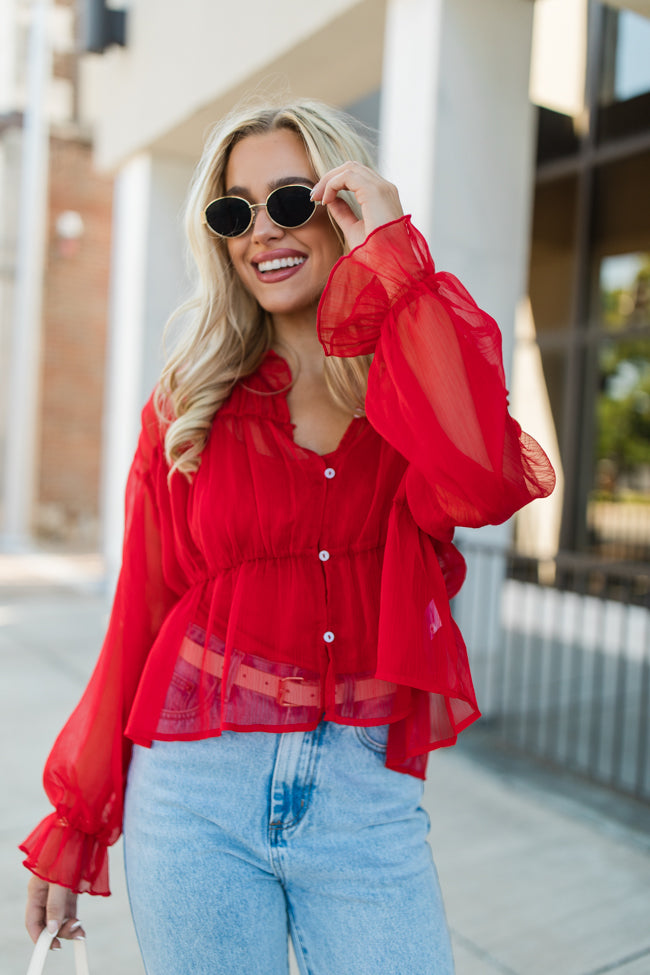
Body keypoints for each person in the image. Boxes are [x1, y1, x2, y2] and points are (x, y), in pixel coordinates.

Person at [22, 98, 555, 974]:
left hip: (362, 796)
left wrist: (396, 255)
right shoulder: (189, 406)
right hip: (194, 790)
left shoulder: (410, 387)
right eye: (235, 210)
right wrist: (79, 817)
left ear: (341, 202)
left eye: (292, 199)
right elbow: (141, 614)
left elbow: (486, 479)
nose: (262, 230)